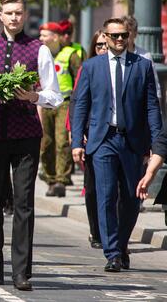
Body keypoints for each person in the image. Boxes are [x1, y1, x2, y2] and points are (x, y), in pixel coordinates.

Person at [0, 0, 62, 291]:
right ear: (0, 15)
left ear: (24, 16)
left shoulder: (39, 49)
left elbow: (55, 96)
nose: (14, 17)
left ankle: (22, 271)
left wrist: (34, 96)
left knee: (24, 203)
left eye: (19, 13)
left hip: (26, 133)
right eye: (9, 13)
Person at [70, 17, 161, 272]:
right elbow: (80, 106)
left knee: (132, 200)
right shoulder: (91, 67)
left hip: (132, 141)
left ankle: (121, 245)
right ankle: (112, 253)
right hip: (103, 140)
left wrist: (155, 143)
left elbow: (152, 108)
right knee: (106, 196)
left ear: (129, 37)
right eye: (114, 36)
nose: (119, 40)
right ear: (106, 38)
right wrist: (77, 141)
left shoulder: (142, 66)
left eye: (123, 35)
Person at [66, 30, 107, 249]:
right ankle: (96, 231)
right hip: (92, 135)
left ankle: (115, 235)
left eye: (105, 44)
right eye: (99, 45)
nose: (103, 49)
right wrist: (76, 131)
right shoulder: (88, 68)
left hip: (118, 137)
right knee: (92, 188)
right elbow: (77, 102)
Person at [38, 21, 81, 197]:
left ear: (55, 37)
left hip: (64, 102)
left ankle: (61, 181)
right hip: (44, 103)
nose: (41, 38)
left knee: (62, 141)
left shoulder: (70, 54)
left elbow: (79, 79)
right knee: (46, 142)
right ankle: (50, 178)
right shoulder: (39, 53)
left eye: (45, 35)